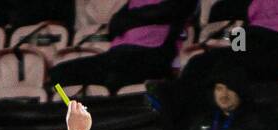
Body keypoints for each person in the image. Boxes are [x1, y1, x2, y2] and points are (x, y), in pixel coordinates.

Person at [48, 0, 195, 91]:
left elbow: (169, 11)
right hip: (118, 55)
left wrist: (132, 19)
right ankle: (71, 112)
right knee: (57, 75)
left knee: (115, 75)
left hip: (152, 55)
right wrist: (137, 18)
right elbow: (114, 25)